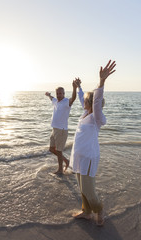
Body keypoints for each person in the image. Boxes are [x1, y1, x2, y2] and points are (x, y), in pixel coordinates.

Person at [70, 60, 116, 226]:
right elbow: (84, 98)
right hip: (79, 156)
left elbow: (96, 101)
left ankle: (99, 210)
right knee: (82, 188)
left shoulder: (97, 117)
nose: (84, 102)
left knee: (89, 190)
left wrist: (102, 82)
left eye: (86, 101)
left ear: (91, 103)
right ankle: (86, 212)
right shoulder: (85, 113)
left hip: (89, 157)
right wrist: (79, 87)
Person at [45, 81, 77, 174]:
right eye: (57, 93)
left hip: (61, 130)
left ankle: (60, 170)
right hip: (54, 129)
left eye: (60, 93)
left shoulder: (66, 102)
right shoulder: (55, 101)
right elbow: (52, 99)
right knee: (51, 149)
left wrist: (74, 88)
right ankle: (66, 161)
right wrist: (48, 95)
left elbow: (73, 98)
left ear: (64, 94)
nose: (59, 95)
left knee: (59, 150)